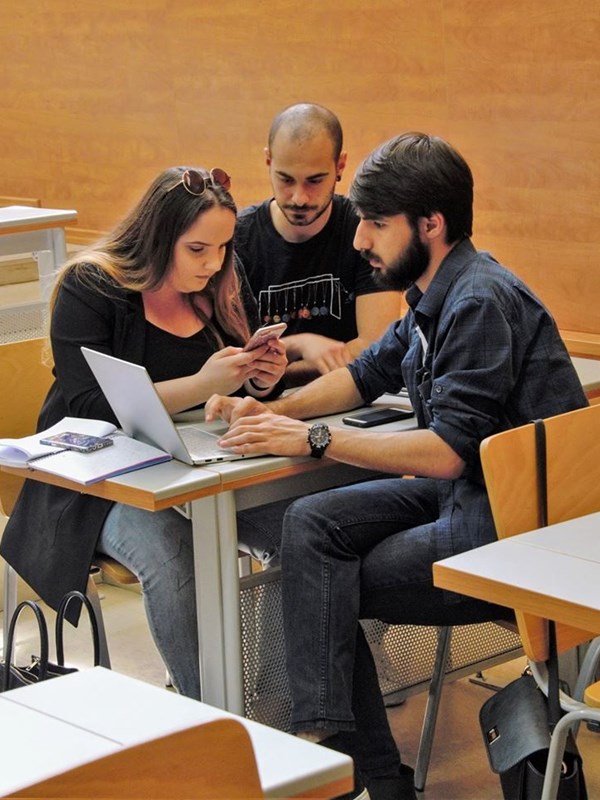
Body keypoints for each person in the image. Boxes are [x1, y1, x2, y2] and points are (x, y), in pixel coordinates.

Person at [205, 133, 588, 799]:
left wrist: (312, 440)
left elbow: (445, 451)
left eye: (377, 224)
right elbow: (364, 375)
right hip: (474, 495)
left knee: (326, 585)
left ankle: (350, 772)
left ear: (430, 224)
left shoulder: (477, 300)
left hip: (516, 528)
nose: (361, 241)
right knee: (310, 527)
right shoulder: (434, 293)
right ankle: (347, 763)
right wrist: (271, 413)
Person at [0, 166, 287, 701]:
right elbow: (90, 405)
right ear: (158, 237)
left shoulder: (221, 282)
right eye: (197, 249)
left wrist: (261, 380)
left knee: (299, 533)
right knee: (172, 555)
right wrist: (203, 383)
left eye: (223, 247)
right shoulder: (91, 286)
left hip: (203, 466)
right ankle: (213, 713)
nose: (213, 262)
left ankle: (272, 707)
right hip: (97, 481)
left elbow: (237, 390)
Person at [234, 102, 404, 387]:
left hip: (350, 395)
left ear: (340, 166)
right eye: (286, 179)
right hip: (258, 399)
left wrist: (269, 369)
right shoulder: (236, 240)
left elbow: (377, 348)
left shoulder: (365, 232)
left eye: (314, 181)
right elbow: (230, 361)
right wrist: (299, 345)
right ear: (268, 161)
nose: (299, 198)